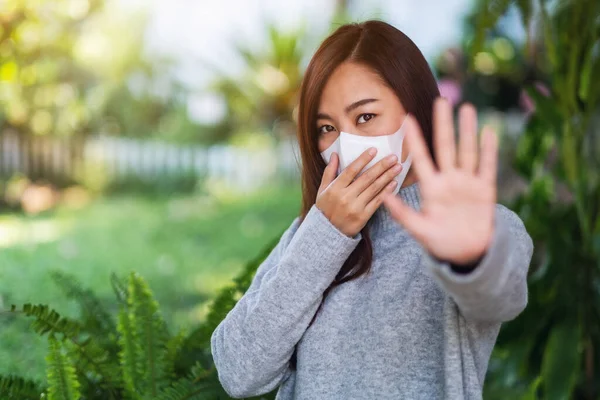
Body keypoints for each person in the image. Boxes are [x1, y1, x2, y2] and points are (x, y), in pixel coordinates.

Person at [210, 20, 533, 400]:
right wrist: (325, 235)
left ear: (417, 112)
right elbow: (238, 372)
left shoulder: (479, 224)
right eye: (327, 128)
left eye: (365, 117)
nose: (345, 146)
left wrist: (469, 258)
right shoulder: (309, 233)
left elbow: (503, 296)